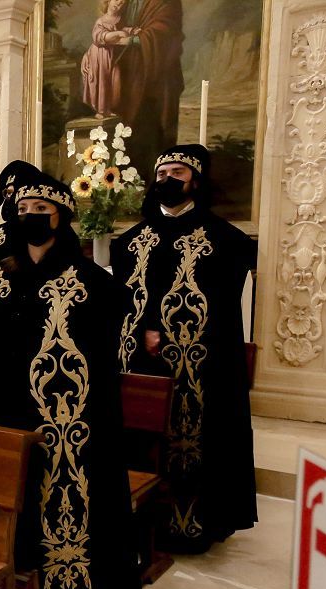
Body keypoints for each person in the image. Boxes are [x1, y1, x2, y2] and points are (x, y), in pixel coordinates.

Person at [0, 166, 144, 589]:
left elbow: (106, 369)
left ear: (62, 217)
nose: (30, 219)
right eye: (22, 212)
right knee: (16, 527)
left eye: (40, 212)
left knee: (80, 527)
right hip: (8, 427)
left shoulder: (93, 284)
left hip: (75, 438)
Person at [111, 144, 256, 553]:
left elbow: (221, 305)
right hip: (140, 362)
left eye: (177, 172)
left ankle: (193, 525)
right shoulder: (130, 242)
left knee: (197, 437)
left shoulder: (225, 241)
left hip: (200, 366)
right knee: (139, 438)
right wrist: (144, 329)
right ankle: (142, 523)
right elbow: (124, 299)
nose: (169, 179)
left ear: (195, 179)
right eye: (161, 173)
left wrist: (171, 333)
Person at [113, 0, 184, 177]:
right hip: (130, 77)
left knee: (152, 131)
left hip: (157, 79)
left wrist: (134, 39)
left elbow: (167, 30)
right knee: (128, 132)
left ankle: (156, 181)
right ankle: (129, 183)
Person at [81, 0, 141, 118]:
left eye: (122, 3)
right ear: (107, 2)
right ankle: (101, 110)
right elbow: (101, 37)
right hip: (99, 54)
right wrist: (118, 33)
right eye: (116, 0)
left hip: (110, 55)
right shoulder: (101, 21)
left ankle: (108, 108)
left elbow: (123, 29)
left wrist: (132, 31)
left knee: (113, 80)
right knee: (102, 81)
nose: (118, 4)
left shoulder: (118, 19)